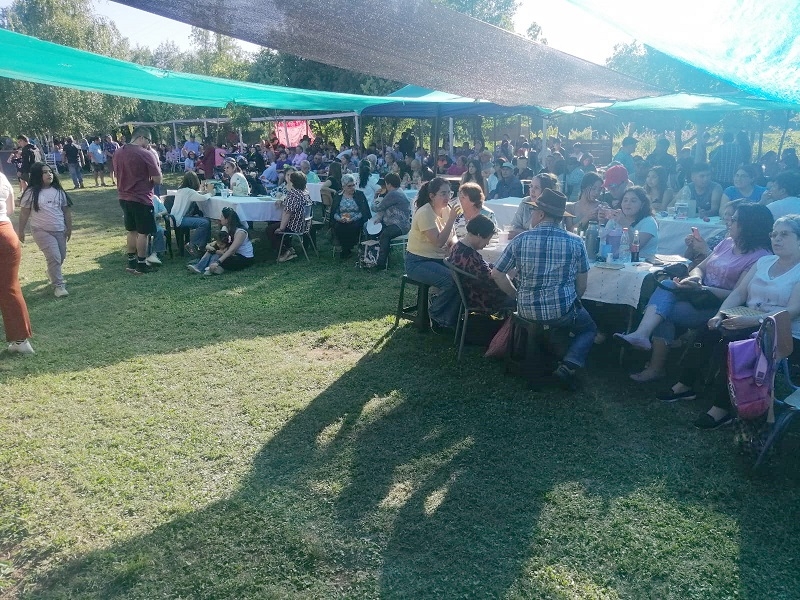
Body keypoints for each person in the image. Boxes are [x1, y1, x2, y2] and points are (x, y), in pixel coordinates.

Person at [661, 215, 800, 429]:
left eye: (784, 234)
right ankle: (686, 384)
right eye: (773, 234)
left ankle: (722, 407)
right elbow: (739, 292)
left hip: (781, 331)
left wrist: (752, 321)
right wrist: (719, 314)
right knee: (707, 331)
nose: (776, 239)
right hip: (746, 317)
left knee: (736, 346)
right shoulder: (765, 262)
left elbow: (792, 310)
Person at [616, 203, 773, 382]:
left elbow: (739, 293)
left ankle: (653, 360)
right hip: (697, 295)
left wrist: (703, 288)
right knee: (667, 284)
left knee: (663, 314)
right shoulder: (728, 243)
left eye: (735, 220)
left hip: (720, 306)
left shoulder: (759, 257)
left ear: (749, 225)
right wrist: (696, 279)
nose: (729, 222)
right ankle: (644, 339)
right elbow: (700, 268)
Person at [491, 189, 596, 387]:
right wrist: (572, 300)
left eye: (533, 211)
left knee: (571, 321)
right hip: (562, 310)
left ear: (540, 214)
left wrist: (516, 295)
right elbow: (582, 285)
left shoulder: (521, 240)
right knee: (589, 328)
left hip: (526, 309)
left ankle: (550, 352)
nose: (531, 215)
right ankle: (568, 364)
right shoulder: (576, 242)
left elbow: (496, 274)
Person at [404, 177, 461, 330]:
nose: (447, 197)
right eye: (443, 193)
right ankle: (436, 314)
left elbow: (452, 236)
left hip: (439, 259)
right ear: (432, 196)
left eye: (449, 193)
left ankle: (450, 317)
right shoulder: (425, 213)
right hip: (418, 262)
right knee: (452, 280)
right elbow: (438, 242)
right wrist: (451, 221)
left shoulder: (447, 209)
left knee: (463, 277)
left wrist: (454, 246)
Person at [16, 163, 73, 297]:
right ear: (37, 175)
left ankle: (51, 273)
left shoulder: (58, 191)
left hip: (59, 229)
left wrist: (69, 228)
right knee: (54, 256)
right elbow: (24, 213)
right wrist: (21, 231)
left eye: (50, 171)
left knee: (60, 257)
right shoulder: (31, 193)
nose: (49, 174)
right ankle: (59, 286)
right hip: (41, 230)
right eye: (45, 172)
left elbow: (66, 211)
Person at [113, 126, 163, 274]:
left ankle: (131, 262)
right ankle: (141, 264)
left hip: (123, 196)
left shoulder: (117, 152)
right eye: (148, 141)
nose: (149, 145)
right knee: (143, 232)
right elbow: (158, 179)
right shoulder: (145, 154)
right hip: (141, 197)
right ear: (141, 137)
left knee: (131, 231)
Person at [448, 215, 515, 313]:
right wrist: (511, 279)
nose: (487, 243)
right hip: (483, 298)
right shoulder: (471, 257)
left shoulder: (457, 247)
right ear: (479, 235)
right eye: (488, 239)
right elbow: (495, 279)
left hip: (470, 293)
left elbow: (485, 270)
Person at [0, 170, 34, 354]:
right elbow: (11, 209)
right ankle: (21, 341)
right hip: (6, 232)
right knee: (10, 288)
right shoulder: (2, 177)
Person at [599, 186, 659, 260]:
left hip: (642, 264)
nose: (628, 204)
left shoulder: (649, 222)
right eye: (625, 200)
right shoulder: (615, 219)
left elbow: (634, 248)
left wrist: (625, 224)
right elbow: (603, 241)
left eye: (633, 201)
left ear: (642, 204)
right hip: (616, 261)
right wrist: (601, 222)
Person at [369, 173, 411, 269]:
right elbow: (386, 208)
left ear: (388, 184)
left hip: (399, 225)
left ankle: (381, 263)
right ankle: (376, 255)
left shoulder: (393, 194)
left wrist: (375, 197)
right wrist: (380, 218)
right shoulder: (399, 191)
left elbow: (377, 208)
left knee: (385, 234)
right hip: (401, 223)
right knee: (377, 230)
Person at [170, 171, 212, 257]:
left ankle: (202, 246)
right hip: (180, 219)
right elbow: (203, 198)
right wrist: (211, 193)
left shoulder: (181, 190)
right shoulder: (189, 192)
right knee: (205, 222)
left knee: (207, 220)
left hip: (175, 218)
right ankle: (193, 244)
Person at [273, 170, 312, 263]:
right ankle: (289, 248)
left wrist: (281, 228)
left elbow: (287, 213)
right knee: (274, 226)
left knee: (270, 230)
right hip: (305, 225)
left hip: (294, 226)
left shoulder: (293, 194)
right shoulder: (306, 193)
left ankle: (285, 251)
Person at [330, 173, 371, 259]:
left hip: (356, 219)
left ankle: (346, 249)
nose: (352, 188)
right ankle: (346, 249)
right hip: (342, 219)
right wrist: (339, 219)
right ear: (343, 186)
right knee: (339, 227)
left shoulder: (359, 195)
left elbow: (363, 211)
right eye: (349, 186)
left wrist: (353, 219)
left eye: (354, 185)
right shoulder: (338, 196)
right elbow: (334, 212)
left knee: (352, 227)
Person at [508, 173, 560, 239]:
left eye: (536, 188)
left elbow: (553, 233)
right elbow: (514, 226)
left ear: (546, 190)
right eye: (531, 186)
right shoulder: (525, 202)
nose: (532, 190)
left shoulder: (554, 206)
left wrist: (524, 233)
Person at [207, 207, 254, 274]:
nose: (220, 219)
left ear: (227, 220)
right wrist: (210, 246)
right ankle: (207, 266)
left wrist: (218, 262)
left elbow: (232, 250)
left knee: (219, 256)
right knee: (211, 250)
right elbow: (220, 242)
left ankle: (213, 266)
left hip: (243, 258)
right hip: (232, 254)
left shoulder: (240, 232)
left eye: (222, 216)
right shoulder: (226, 228)